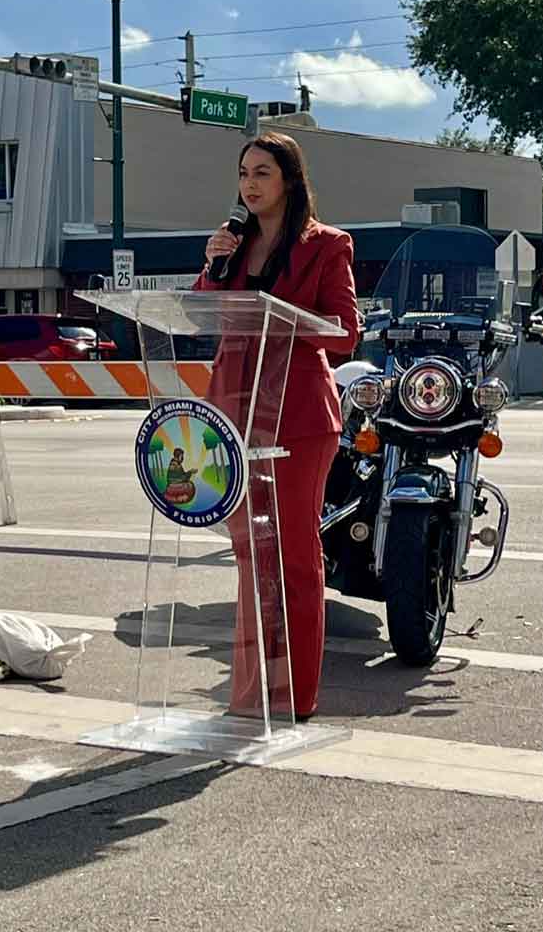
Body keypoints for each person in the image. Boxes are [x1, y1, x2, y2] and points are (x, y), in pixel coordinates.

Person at [194, 132, 361, 721]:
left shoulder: (327, 245)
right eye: (243, 173)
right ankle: (250, 695)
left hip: (299, 416)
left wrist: (286, 320)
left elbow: (345, 333)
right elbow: (203, 311)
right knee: (249, 553)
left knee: (292, 554)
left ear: (289, 179)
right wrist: (213, 267)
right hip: (235, 411)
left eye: (262, 172)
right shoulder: (231, 245)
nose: (250, 184)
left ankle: (294, 695)